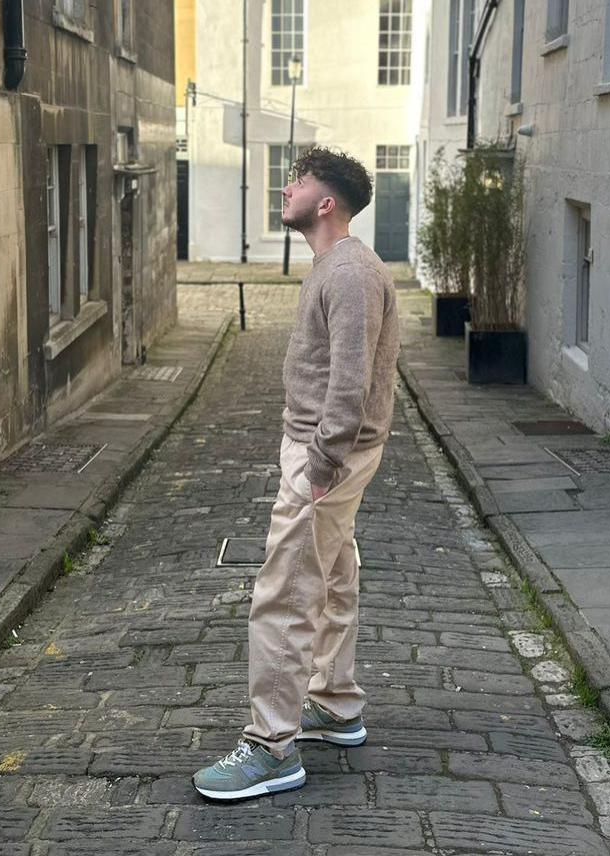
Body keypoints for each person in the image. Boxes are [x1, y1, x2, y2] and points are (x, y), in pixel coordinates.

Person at [192, 147, 400, 801]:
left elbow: (351, 381)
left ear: (328, 202)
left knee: (284, 595)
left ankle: (271, 746)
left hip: (326, 459)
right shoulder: (338, 266)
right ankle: (334, 705)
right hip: (323, 453)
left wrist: (320, 463)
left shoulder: (349, 273)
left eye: (299, 181)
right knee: (334, 579)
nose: (287, 189)